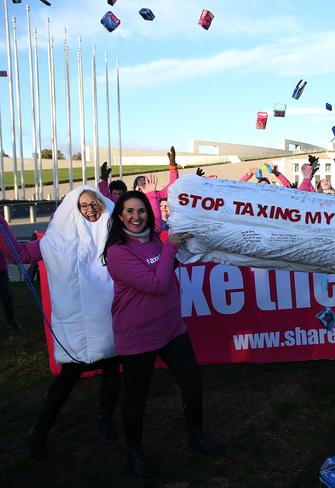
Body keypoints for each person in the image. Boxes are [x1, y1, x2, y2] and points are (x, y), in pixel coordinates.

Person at [101, 191, 219, 478]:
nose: (136, 217)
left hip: (171, 328)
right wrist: (170, 248)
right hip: (138, 335)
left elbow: (171, 266)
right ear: (120, 216)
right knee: (136, 398)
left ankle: (196, 434)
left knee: (192, 382)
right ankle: (135, 454)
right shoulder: (118, 252)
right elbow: (156, 283)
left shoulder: (154, 239)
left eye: (141, 211)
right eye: (129, 211)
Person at [0, 187, 119, 459]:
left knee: (112, 372)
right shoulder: (57, 241)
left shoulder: (113, 234)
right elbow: (22, 255)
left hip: (107, 322)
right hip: (78, 329)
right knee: (66, 381)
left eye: (94, 203)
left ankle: (105, 420)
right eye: (83, 205)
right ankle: (38, 434)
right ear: (73, 209)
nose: (90, 209)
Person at [0, 250, 21, 330]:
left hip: (1, 271)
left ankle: (11, 320)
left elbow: (7, 249)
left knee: (6, 297)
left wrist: (14, 259)